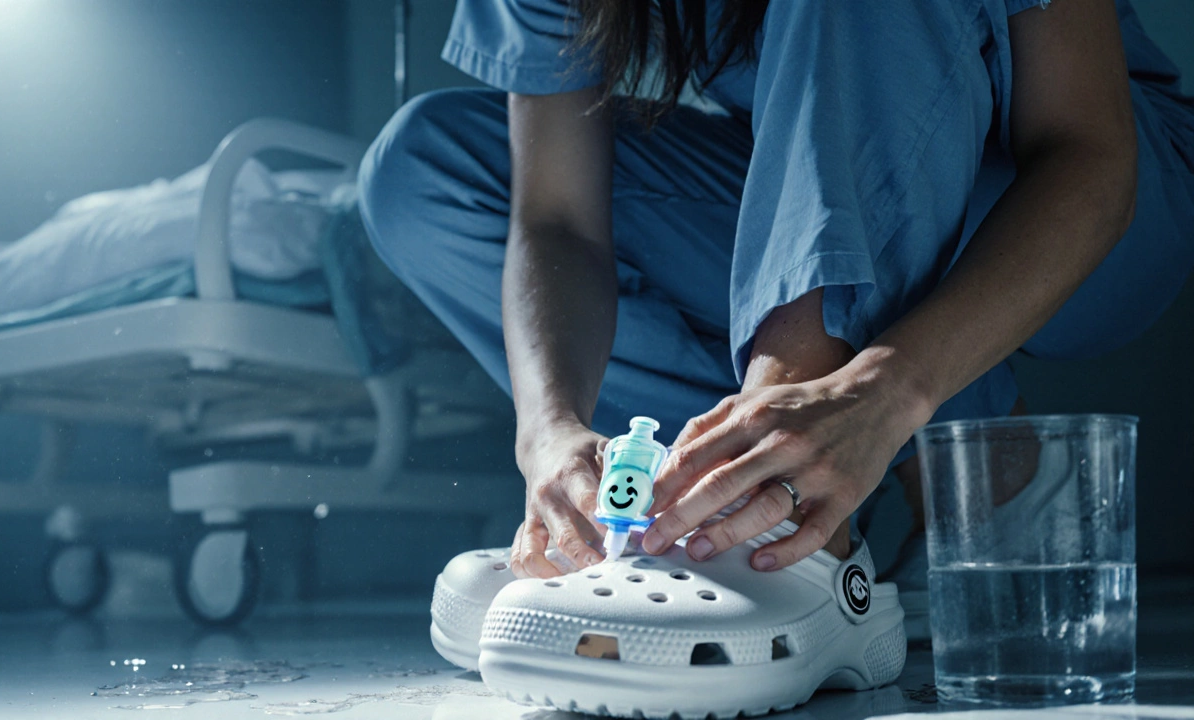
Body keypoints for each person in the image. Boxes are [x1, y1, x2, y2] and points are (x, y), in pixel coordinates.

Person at [359, 0, 1194, 581]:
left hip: (1091, 209)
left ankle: (792, 511)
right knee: (426, 174)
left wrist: (883, 387)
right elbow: (558, 220)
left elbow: (1088, 153)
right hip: (844, 193)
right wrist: (547, 432)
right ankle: (888, 470)